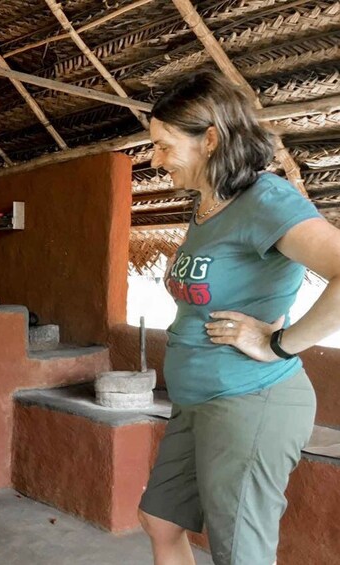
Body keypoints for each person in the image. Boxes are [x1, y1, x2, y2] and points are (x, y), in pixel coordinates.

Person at [137, 72, 340, 565]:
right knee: (161, 521)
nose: (155, 159)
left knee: (240, 554)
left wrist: (280, 342)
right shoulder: (208, 206)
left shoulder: (265, 200)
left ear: (210, 139)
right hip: (196, 400)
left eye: (164, 146)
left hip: (249, 400)